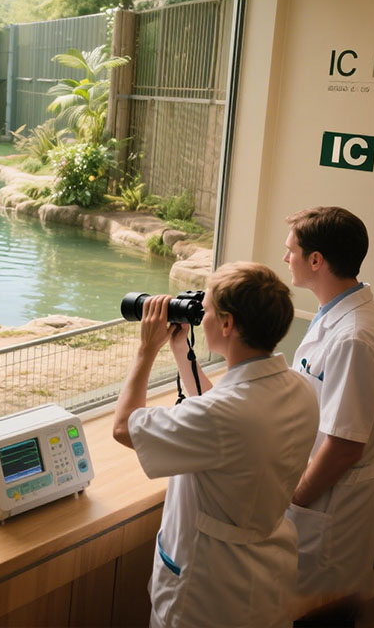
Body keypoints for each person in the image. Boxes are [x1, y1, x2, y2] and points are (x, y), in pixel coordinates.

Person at [113, 262, 318, 628]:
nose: (200, 317)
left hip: (208, 595)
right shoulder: (297, 387)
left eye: (205, 310)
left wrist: (146, 349)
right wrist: (180, 348)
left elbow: (124, 428)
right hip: (267, 578)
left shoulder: (224, 415)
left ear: (227, 325)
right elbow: (224, 417)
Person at [283, 206, 374, 607]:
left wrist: (294, 500)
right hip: (323, 501)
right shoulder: (338, 314)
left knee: (319, 616)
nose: (286, 258)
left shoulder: (353, 337)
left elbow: (345, 445)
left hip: (329, 511)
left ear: (316, 260)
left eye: (291, 250)